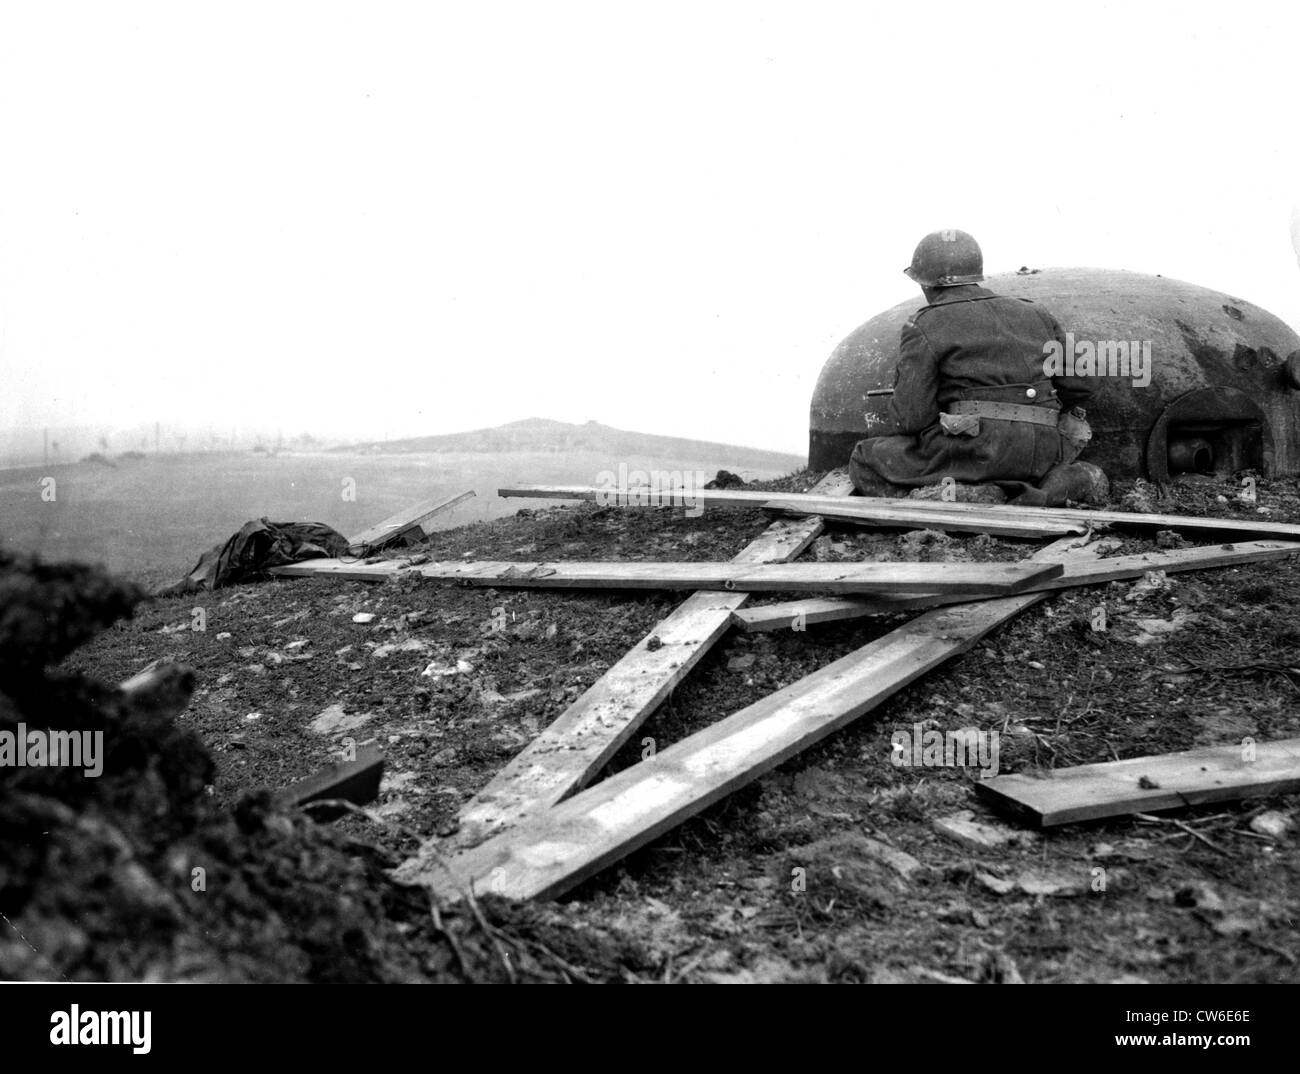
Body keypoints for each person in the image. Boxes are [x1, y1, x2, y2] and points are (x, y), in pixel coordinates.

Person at [849, 229, 1106, 505]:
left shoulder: (924, 324)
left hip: (974, 449)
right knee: (1070, 471)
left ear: (926, 284)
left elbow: (911, 419)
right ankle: (1041, 492)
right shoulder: (1035, 313)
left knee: (865, 457)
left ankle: (960, 496)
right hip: (1041, 450)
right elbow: (1083, 384)